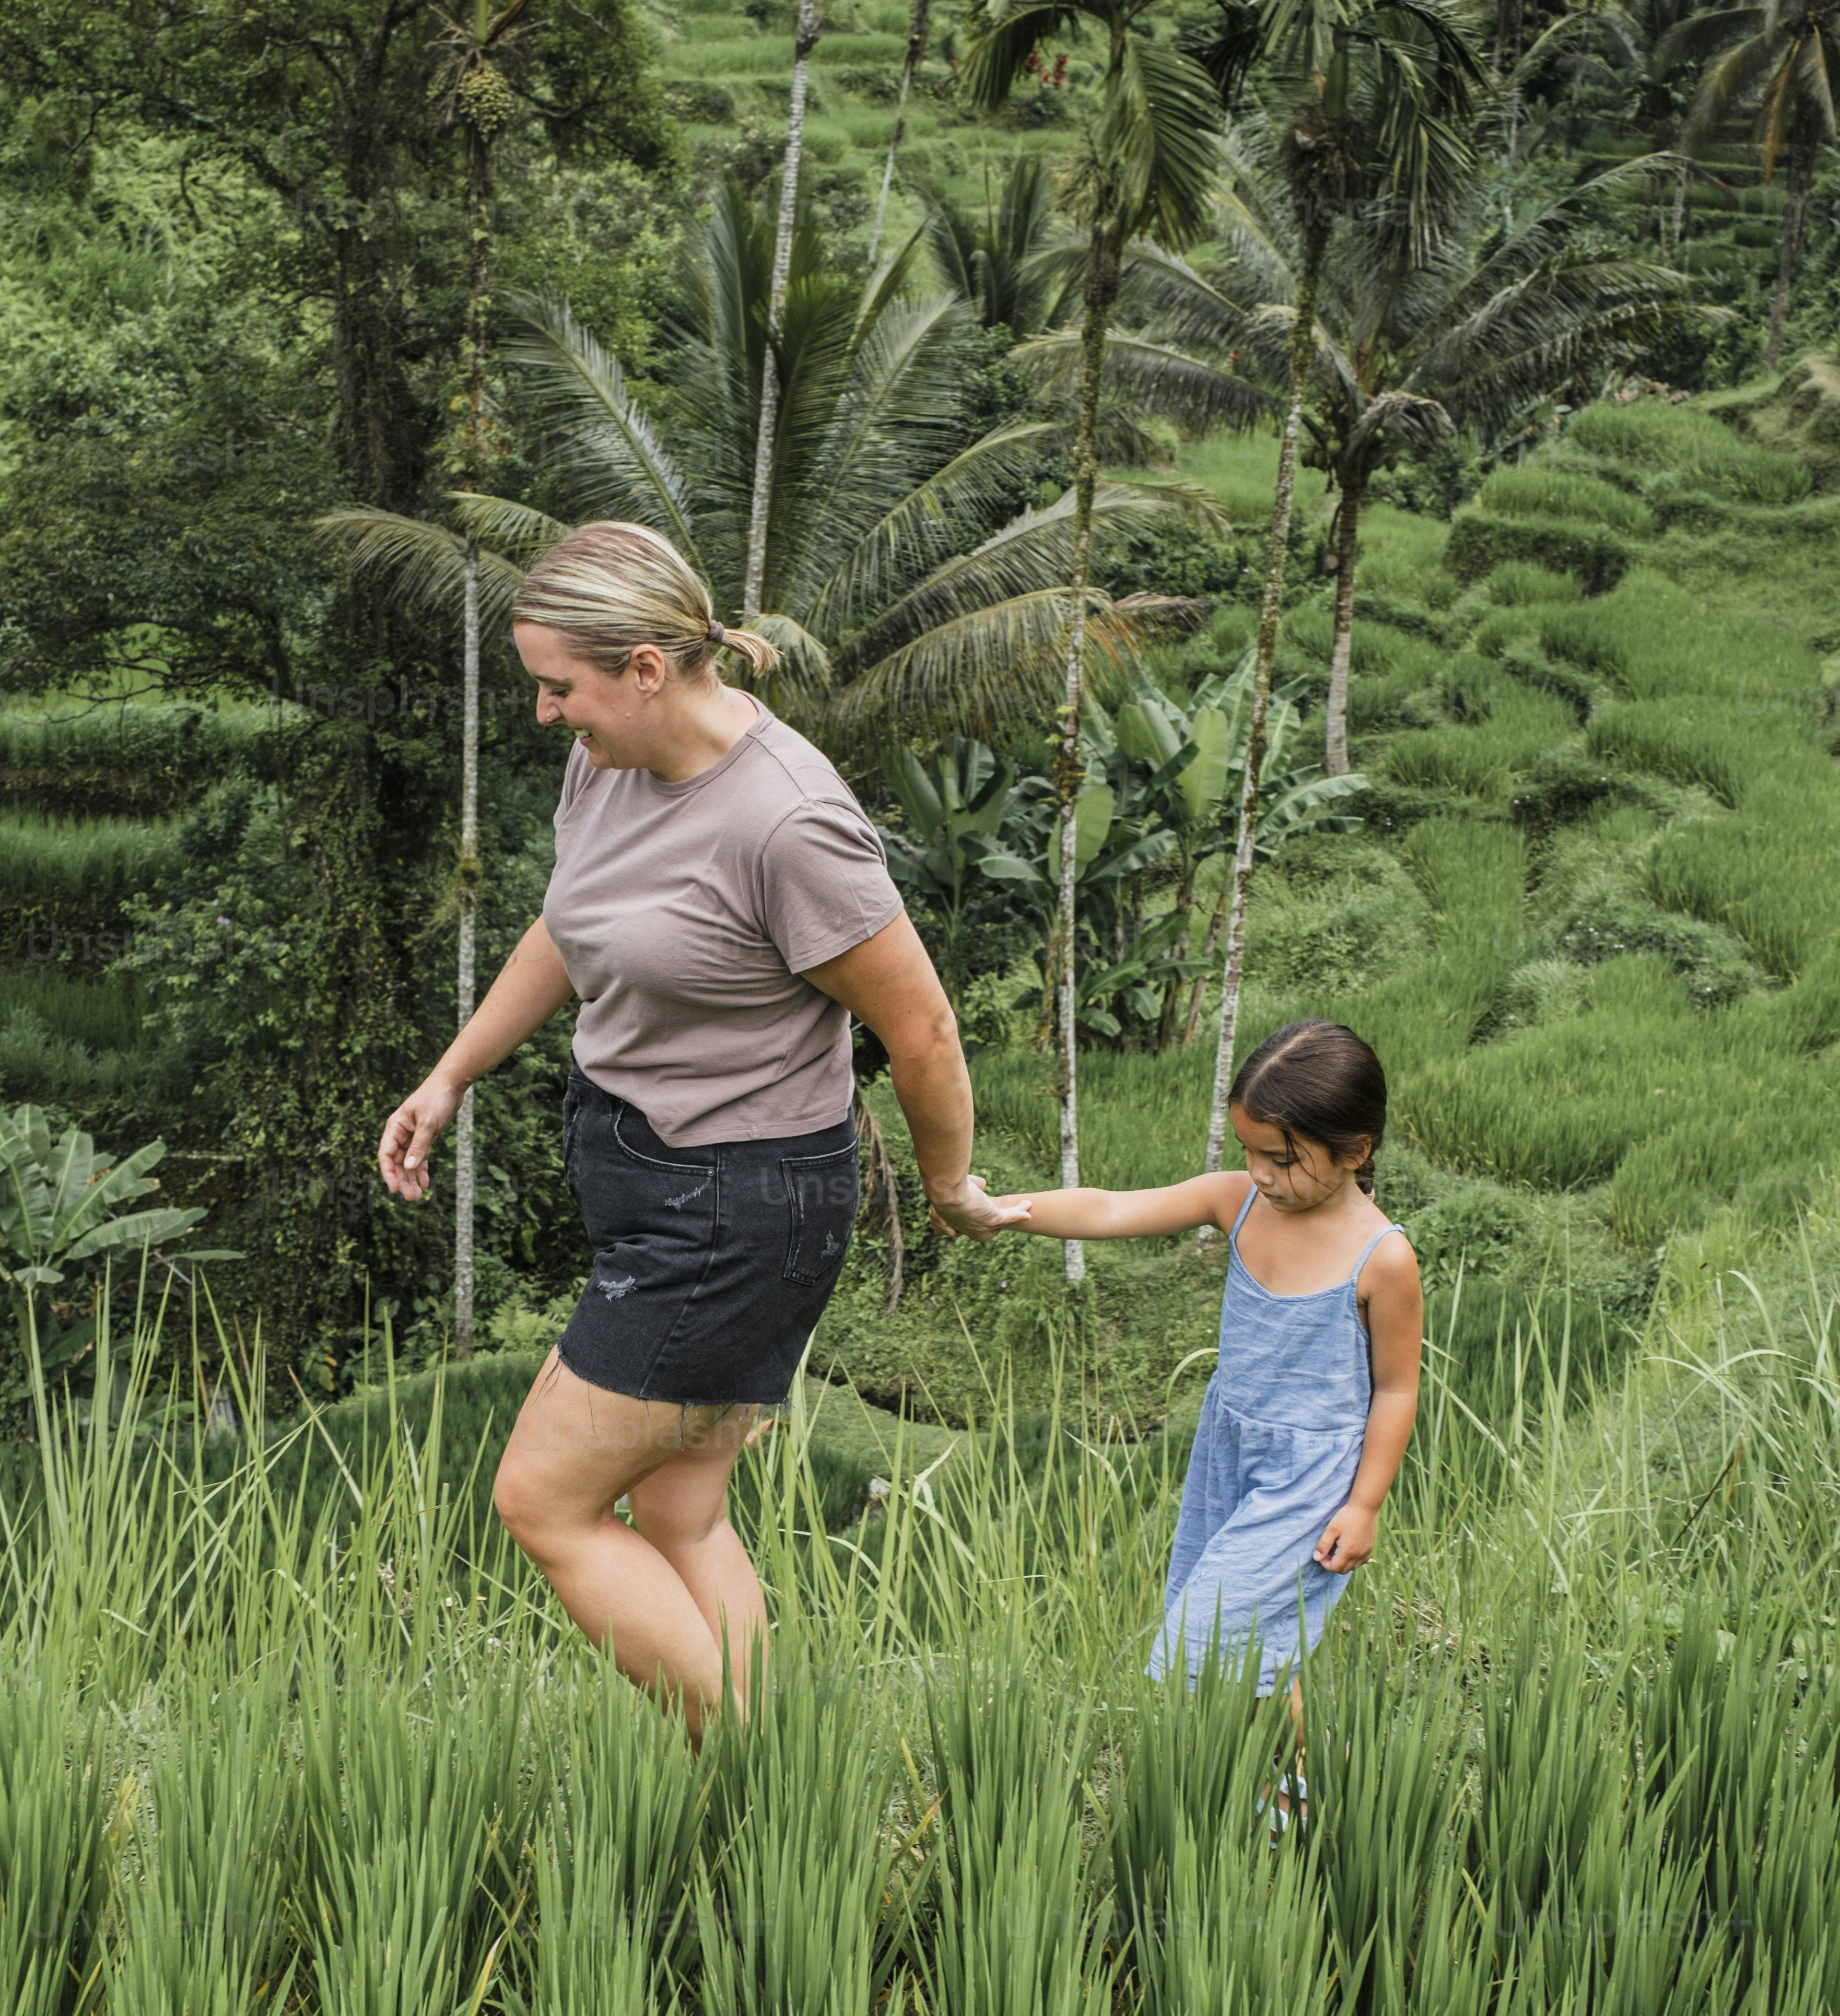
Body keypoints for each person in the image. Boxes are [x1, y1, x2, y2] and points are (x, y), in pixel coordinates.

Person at [375, 521, 1010, 1741]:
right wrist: (452, 1073)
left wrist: (948, 1187)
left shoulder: (785, 823)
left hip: (736, 1214)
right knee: (678, 1517)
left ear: (648, 669)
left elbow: (922, 1031)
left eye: (561, 687)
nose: (548, 714)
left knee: (542, 1503)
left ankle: (755, 1779)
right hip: (652, 1177)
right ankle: (773, 1765)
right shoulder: (609, 763)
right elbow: (578, 924)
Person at [991, 1020, 1422, 1825]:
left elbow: (1397, 1390)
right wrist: (1007, 1212)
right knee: (1246, 1641)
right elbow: (1116, 1209)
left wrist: (1365, 1505)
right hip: (1228, 1453)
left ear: (1356, 1151)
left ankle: (1298, 1795)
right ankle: (1309, 1784)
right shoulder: (1239, 1201)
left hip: (1308, 1480)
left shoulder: (1383, 1258)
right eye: (1251, 1151)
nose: (1260, 1174)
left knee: (1205, 1637)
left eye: (1283, 1158)